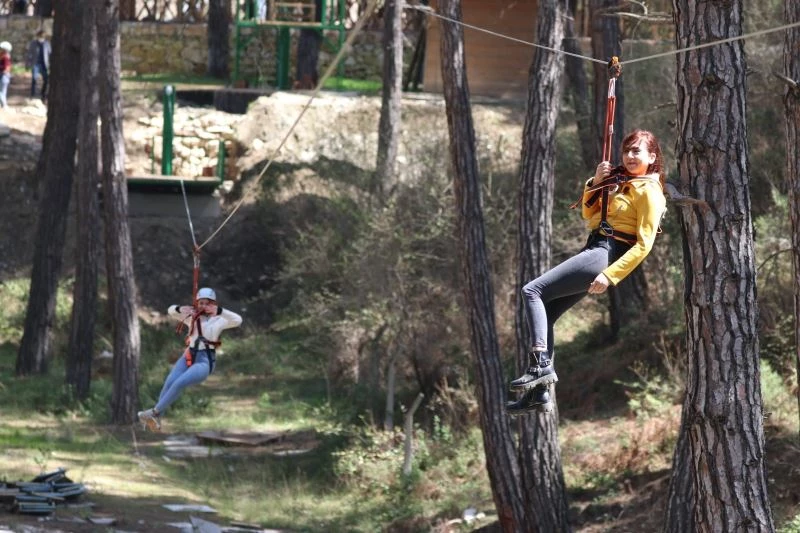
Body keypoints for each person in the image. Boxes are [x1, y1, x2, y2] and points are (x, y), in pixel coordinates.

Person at [506, 129, 667, 415]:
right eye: (627, 151)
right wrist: (596, 181)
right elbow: (589, 214)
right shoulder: (620, 182)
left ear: (652, 157)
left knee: (532, 291)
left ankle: (540, 364)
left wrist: (610, 275)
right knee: (548, 311)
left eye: (637, 151)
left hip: (606, 254)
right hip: (595, 247)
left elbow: (644, 245)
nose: (630, 156)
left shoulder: (649, 191)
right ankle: (540, 394)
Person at [138, 287, 243, 431]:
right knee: (169, 381)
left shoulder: (219, 320)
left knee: (179, 383)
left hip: (204, 360)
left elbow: (238, 320)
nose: (204, 306)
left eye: (208, 303)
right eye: (201, 303)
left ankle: (153, 413)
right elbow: (170, 311)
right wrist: (181, 309)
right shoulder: (192, 317)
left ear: (213, 304)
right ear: (197, 303)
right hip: (187, 356)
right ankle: (157, 418)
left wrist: (220, 311)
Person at [26, 30, 50, 101]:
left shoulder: (47, 44)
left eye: (42, 37)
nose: (41, 38)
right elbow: (29, 54)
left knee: (46, 80)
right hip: (35, 64)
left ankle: (43, 95)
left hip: (44, 65)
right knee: (34, 79)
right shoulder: (33, 43)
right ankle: (33, 95)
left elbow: (50, 53)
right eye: (40, 36)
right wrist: (27, 64)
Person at [0, 42, 12, 110]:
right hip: (2, 75)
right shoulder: (2, 55)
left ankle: (4, 104)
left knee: (2, 91)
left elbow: (6, 68)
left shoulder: (6, 57)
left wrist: (3, 72)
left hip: (4, 76)